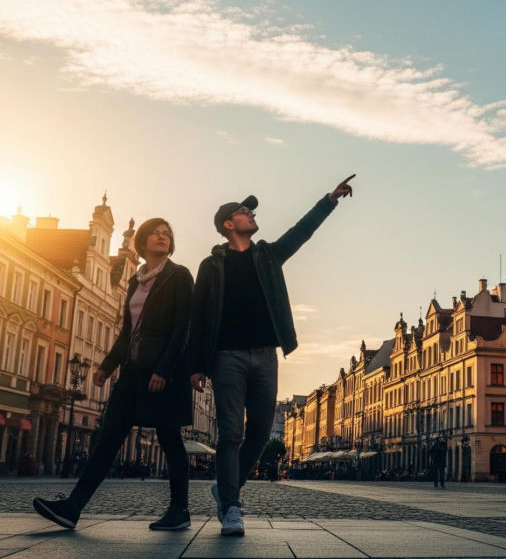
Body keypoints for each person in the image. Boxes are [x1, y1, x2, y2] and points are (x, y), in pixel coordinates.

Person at [188, 176, 355, 537]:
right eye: (243, 211)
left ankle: (227, 489)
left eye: (250, 210)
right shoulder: (210, 266)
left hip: (266, 356)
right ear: (228, 224)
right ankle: (231, 507)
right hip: (227, 356)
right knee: (231, 433)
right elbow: (198, 317)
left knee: (261, 433)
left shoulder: (267, 255)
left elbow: (301, 232)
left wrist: (329, 199)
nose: (250, 214)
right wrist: (196, 365)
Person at [33, 219, 194, 531]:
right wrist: (106, 366)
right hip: (133, 372)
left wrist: (164, 369)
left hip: (164, 373)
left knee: (170, 439)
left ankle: (180, 510)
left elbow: (182, 328)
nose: (162, 237)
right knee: (107, 439)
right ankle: (72, 508)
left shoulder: (179, 276)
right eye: (156, 233)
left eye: (167, 234)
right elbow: (127, 332)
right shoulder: (135, 282)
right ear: (144, 241)